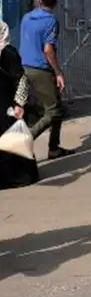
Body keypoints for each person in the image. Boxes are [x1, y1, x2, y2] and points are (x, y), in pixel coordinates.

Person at [19, 0, 74, 159]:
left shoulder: (26, 17)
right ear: (56, 3)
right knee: (55, 111)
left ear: (38, 1)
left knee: (54, 103)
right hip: (41, 69)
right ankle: (26, 138)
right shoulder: (51, 21)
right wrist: (58, 72)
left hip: (24, 66)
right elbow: (48, 50)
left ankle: (54, 148)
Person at [0, 20, 39, 189]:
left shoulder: (7, 53)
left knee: (10, 138)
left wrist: (19, 103)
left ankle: (15, 176)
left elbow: (20, 79)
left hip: (7, 103)